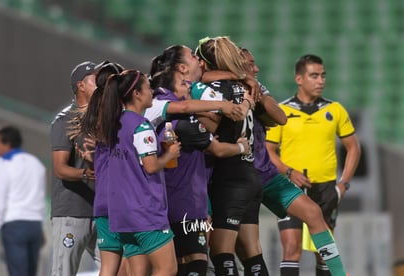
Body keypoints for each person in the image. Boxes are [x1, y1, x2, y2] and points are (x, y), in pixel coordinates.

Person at [149, 66, 251, 276]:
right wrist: (242, 147)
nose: (188, 87)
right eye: (182, 84)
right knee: (197, 260)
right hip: (187, 202)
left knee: (181, 261)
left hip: (172, 199)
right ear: (172, 91)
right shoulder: (184, 124)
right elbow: (217, 148)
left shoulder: (162, 118)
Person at [266, 54, 360, 276]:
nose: (321, 81)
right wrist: (289, 171)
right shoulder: (282, 111)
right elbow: (268, 152)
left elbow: (354, 148)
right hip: (291, 190)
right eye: (314, 76)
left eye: (323, 75)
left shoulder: (335, 110)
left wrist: (344, 183)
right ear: (299, 79)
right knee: (291, 249)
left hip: (326, 189)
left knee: (324, 252)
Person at [196, 36, 268, 276]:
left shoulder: (215, 89)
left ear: (206, 63)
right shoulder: (243, 85)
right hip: (249, 175)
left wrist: (194, 116)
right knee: (252, 253)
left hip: (229, 176)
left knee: (221, 251)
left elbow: (213, 127)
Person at [97, 69, 180, 276]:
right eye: (148, 88)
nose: (152, 92)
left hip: (122, 214)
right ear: (137, 93)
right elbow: (150, 166)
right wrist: (170, 154)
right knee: (167, 269)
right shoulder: (141, 126)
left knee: (138, 272)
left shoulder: (114, 123)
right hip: (144, 211)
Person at [75, 61, 132, 276]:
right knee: (131, 263)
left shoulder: (96, 119)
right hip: (127, 203)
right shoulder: (129, 121)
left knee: (107, 269)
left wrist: (91, 161)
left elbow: (102, 168)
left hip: (103, 202)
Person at [50, 61, 100, 276]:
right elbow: (60, 169)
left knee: (118, 269)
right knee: (64, 272)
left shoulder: (102, 118)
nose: (101, 83)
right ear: (81, 85)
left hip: (102, 211)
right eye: (95, 78)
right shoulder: (64, 120)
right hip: (73, 211)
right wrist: (84, 173)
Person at [0, 125, 46, 276]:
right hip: (34, 225)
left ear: (7, 143)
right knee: (31, 272)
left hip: (14, 225)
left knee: (17, 272)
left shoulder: (4, 166)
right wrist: (41, 228)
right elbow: (40, 197)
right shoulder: (36, 164)